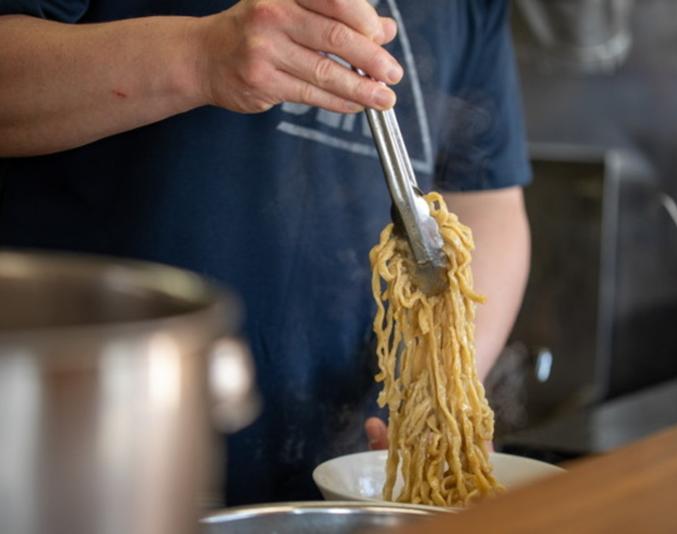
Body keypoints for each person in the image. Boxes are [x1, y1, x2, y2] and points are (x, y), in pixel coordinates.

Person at [0, 0, 532, 503]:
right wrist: (199, 56)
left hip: (353, 472)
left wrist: (441, 399)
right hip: (89, 450)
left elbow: (486, 202)